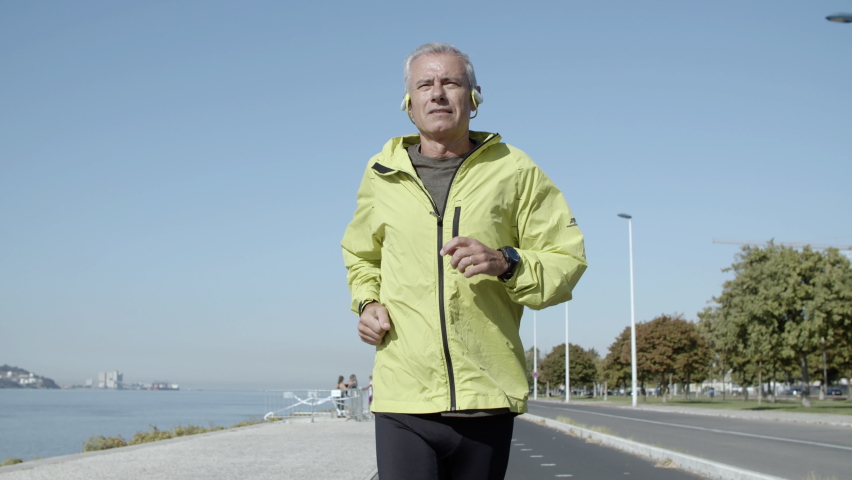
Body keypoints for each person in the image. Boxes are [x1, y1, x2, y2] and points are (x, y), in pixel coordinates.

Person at [341, 42, 587, 480]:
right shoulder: (380, 172)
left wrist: (508, 262)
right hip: (404, 398)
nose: (437, 93)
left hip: (486, 396)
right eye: (425, 84)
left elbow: (566, 260)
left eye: (450, 82)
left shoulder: (515, 169)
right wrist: (367, 303)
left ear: (474, 98)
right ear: (409, 104)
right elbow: (361, 256)